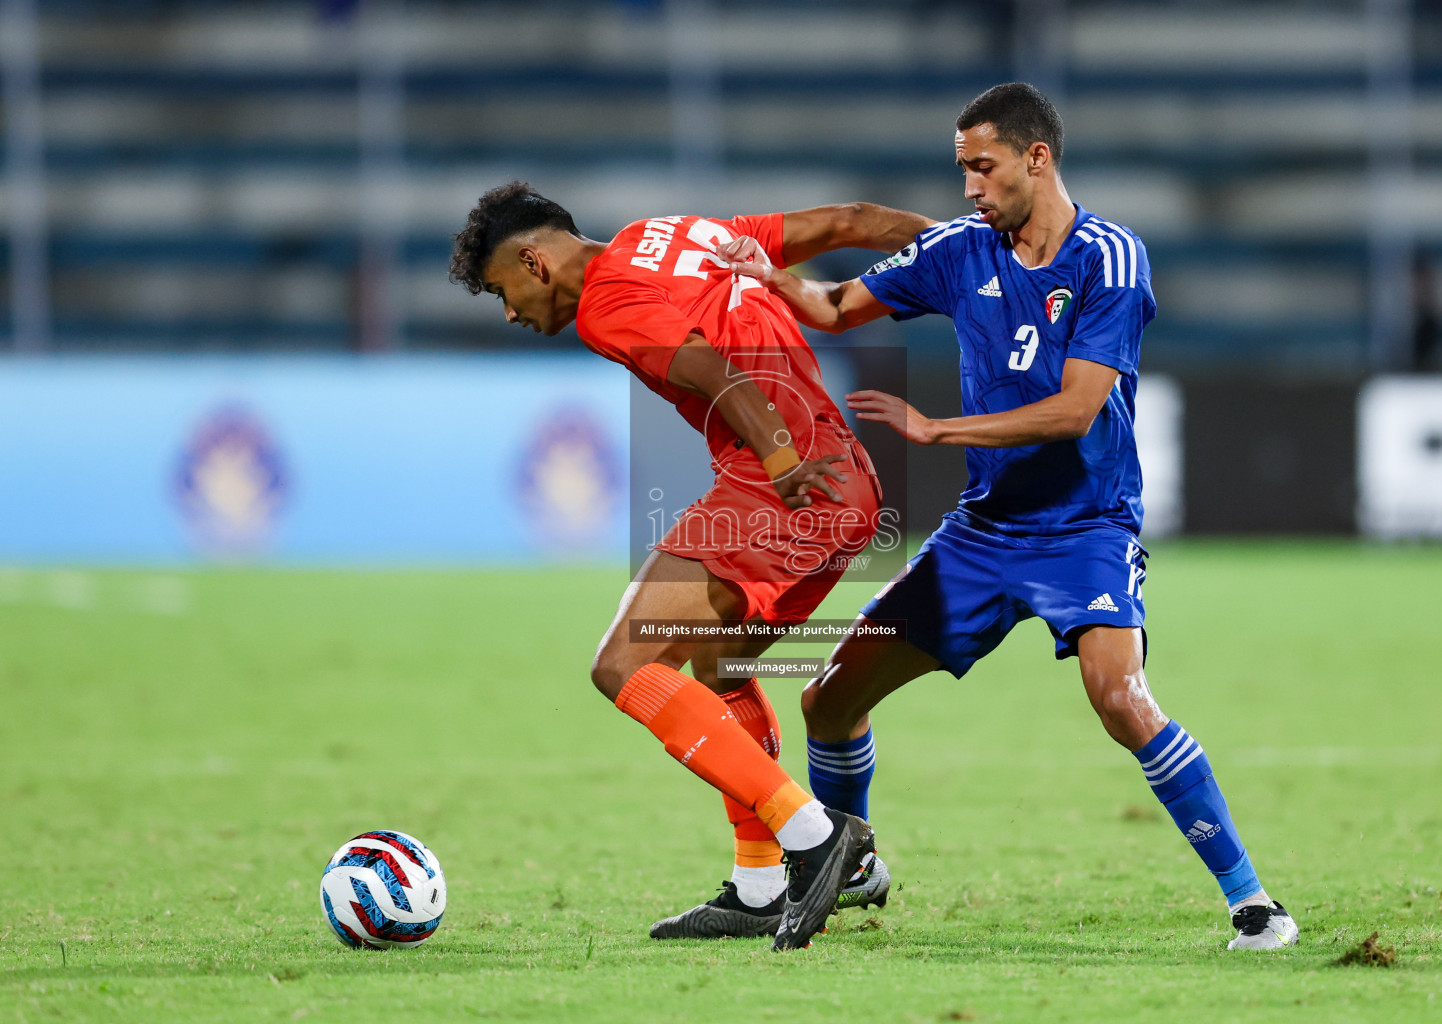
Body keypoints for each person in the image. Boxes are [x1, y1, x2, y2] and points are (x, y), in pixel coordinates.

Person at [718, 83, 1299, 950]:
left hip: (1086, 529)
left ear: (1038, 158)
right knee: (829, 700)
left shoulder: (1110, 258)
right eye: (962, 170)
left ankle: (1253, 904)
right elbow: (838, 308)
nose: (968, 189)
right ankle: (852, 861)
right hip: (984, 536)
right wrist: (776, 282)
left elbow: (1075, 410)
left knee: (1120, 697)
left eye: (982, 168)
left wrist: (938, 426)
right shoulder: (961, 250)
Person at [448, 183, 933, 949]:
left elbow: (712, 370)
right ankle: (759, 885)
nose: (509, 311)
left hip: (786, 483)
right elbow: (851, 222)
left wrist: (776, 461)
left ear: (534, 260)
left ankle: (815, 837)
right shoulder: (672, 232)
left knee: (624, 664)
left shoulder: (606, 306)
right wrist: (970, 252)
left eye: (501, 290)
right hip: (843, 481)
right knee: (718, 669)